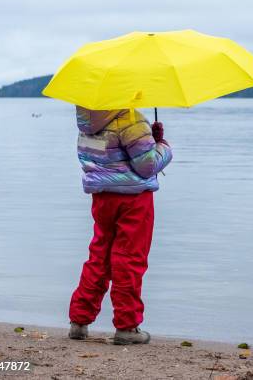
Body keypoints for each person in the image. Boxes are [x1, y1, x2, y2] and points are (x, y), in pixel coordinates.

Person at [67, 106, 172, 345]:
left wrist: (149, 139)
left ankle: (79, 321)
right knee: (129, 259)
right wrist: (162, 145)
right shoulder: (130, 119)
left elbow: (101, 157)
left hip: (103, 198)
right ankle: (127, 326)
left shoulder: (87, 122)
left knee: (99, 257)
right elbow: (147, 165)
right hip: (134, 200)